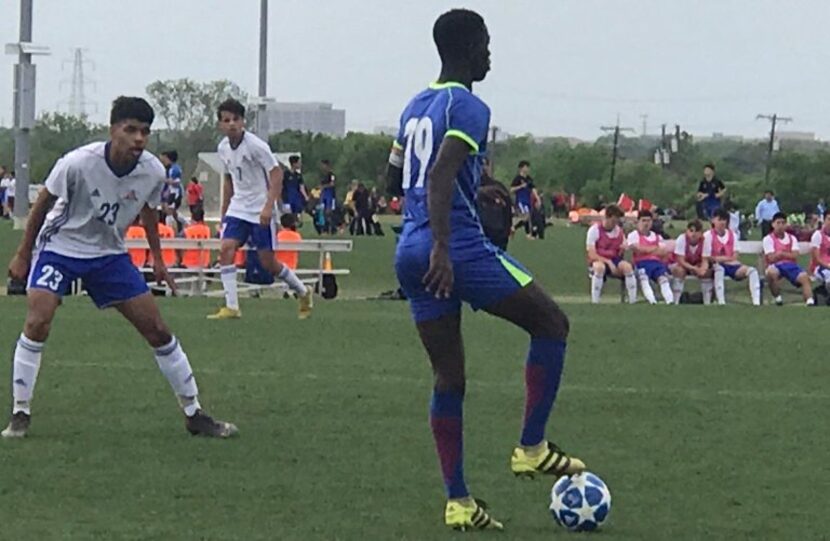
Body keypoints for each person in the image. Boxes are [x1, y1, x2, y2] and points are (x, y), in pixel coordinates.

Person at [386, 10, 584, 531]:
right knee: (552, 324)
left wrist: (475, 186)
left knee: (448, 376)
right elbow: (442, 174)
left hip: (408, 248)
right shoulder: (468, 105)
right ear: (470, 47)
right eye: (487, 44)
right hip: (453, 249)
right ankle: (532, 447)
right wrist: (446, 250)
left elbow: (395, 175)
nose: (490, 54)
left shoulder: (415, 105)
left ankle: (459, 502)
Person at [2, 96, 236, 439]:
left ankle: (194, 413)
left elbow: (148, 211)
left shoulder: (153, 170)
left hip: (109, 254)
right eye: (130, 130)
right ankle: (20, 413)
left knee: (156, 328)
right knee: (38, 320)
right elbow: (43, 203)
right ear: (113, 131)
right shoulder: (78, 163)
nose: (139, 138)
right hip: (61, 246)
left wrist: (157, 259)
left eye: (145, 132)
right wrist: (23, 254)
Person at [209, 98, 313, 320]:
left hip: (259, 209)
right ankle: (232, 306)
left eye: (236, 119)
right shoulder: (223, 148)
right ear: (220, 124)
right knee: (226, 249)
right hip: (238, 208)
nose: (232, 124)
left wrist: (268, 206)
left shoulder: (256, 146)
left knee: (268, 262)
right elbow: (228, 180)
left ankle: (303, 291)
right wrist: (224, 214)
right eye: (226, 120)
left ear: (243, 121)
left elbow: (277, 174)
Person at [703, 208, 761, 306]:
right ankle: (721, 301)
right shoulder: (708, 235)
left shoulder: (732, 235)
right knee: (719, 269)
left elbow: (735, 255)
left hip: (732, 266)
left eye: (724, 220)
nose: (722, 222)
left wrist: (724, 259)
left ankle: (756, 302)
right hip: (715, 266)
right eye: (719, 219)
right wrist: (727, 259)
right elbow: (709, 257)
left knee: (752, 271)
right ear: (713, 220)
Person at [585, 204, 637, 304]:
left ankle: (632, 300)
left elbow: (620, 251)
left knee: (628, 267)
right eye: (613, 221)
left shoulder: (619, 231)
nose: (615, 224)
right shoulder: (594, 230)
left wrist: (623, 248)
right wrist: (608, 262)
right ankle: (595, 301)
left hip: (614, 260)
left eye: (617, 221)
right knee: (600, 267)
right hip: (599, 259)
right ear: (606, 217)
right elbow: (591, 253)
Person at [763, 212, 813, 306]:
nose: (781, 226)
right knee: (771, 272)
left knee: (804, 277)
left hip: (791, 266)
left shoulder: (792, 238)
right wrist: (787, 254)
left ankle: (810, 301)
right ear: (773, 224)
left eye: (783, 223)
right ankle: (778, 298)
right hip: (776, 266)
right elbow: (771, 258)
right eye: (778, 223)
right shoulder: (768, 239)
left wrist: (781, 253)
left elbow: (795, 255)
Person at [626, 210, 674, 305]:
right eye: (643, 220)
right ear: (638, 222)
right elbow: (637, 248)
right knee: (644, 278)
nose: (646, 223)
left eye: (648, 221)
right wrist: (654, 249)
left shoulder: (657, 236)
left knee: (663, 278)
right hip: (641, 263)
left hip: (657, 264)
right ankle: (652, 301)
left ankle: (670, 301)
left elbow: (663, 251)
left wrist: (647, 250)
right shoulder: (634, 235)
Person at [670, 220, 712, 304]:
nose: (693, 234)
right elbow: (680, 260)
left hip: (697, 264)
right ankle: (676, 300)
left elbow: (705, 260)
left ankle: (707, 301)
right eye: (691, 231)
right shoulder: (681, 239)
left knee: (707, 273)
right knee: (679, 271)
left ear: (701, 233)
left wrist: (703, 269)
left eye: (696, 231)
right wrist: (693, 268)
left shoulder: (705, 241)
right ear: (687, 231)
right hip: (681, 264)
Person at [477, 157, 512, 251]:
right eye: (480, 164)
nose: (482, 167)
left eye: (485, 164)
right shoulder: (467, 188)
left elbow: (507, 210)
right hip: (477, 233)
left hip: (497, 234)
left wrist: (507, 230)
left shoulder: (498, 187)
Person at [510, 160, 535, 238]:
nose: (527, 169)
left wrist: (537, 198)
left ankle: (515, 228)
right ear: (521, 168)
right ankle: (525, 233)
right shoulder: (517, 178)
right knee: (526, 216)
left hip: (528, 200)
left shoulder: (529, 179)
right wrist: (520, 186)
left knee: (527, 218)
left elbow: (533, 188)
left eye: (528, 167)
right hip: (521, 200)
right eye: (526, 167)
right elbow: (511, 190)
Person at [810, 213, 830, 291]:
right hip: (820, 267)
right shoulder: (818, 235)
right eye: (829, 219)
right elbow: (817, 259)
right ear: (824, 220)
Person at [319, 159, 337, 234]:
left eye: (323, 165)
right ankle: (324, 229)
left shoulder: (331, 175)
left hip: (330, 194)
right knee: (323, 212)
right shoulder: (323, 175)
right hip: (324, 194)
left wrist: (324, 186)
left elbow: (332, 184)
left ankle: (332, 228)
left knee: (329, 212)